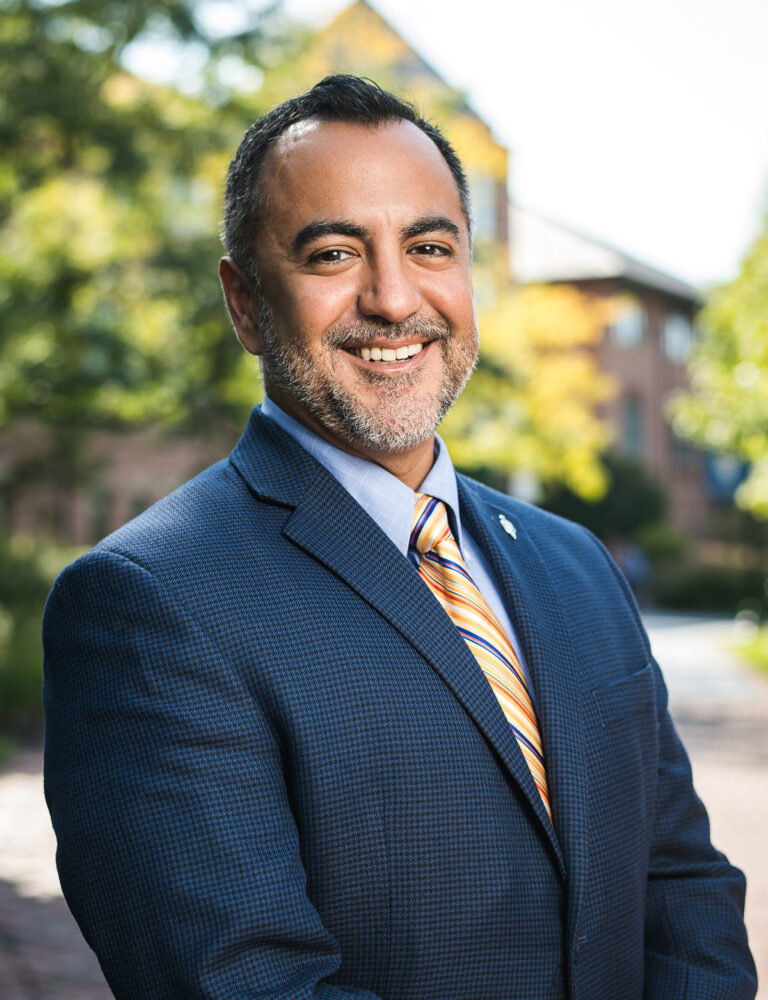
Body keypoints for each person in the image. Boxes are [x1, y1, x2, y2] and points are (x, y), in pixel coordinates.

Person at [43, 74, 756, 1000]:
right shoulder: (151, 602)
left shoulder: (576, 563)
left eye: (428, 246)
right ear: (246, 303)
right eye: (334, 253)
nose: (392, 298)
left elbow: (682, 884)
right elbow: (248, 984)